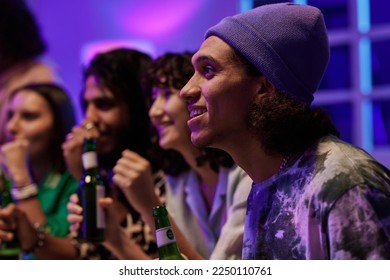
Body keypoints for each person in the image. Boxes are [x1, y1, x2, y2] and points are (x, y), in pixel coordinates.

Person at [179, 2, 390, 259]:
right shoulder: (266, 181)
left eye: (208, 70)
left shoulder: (343, 183)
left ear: (264, 88)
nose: (186, 90)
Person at [84, 52, 251, 259]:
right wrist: (114, 238)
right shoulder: (179, 180)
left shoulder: (247, 173)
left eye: (166, 94)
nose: (154, 111)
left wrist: (150, 205)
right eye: (153, 98)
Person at [0, 83, 77, 259]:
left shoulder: (74, 178)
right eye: (10, 115)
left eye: (29, 117)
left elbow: (51, 253)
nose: (11, 127)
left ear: (56, 129)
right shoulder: (3, 174)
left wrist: (22, 179)